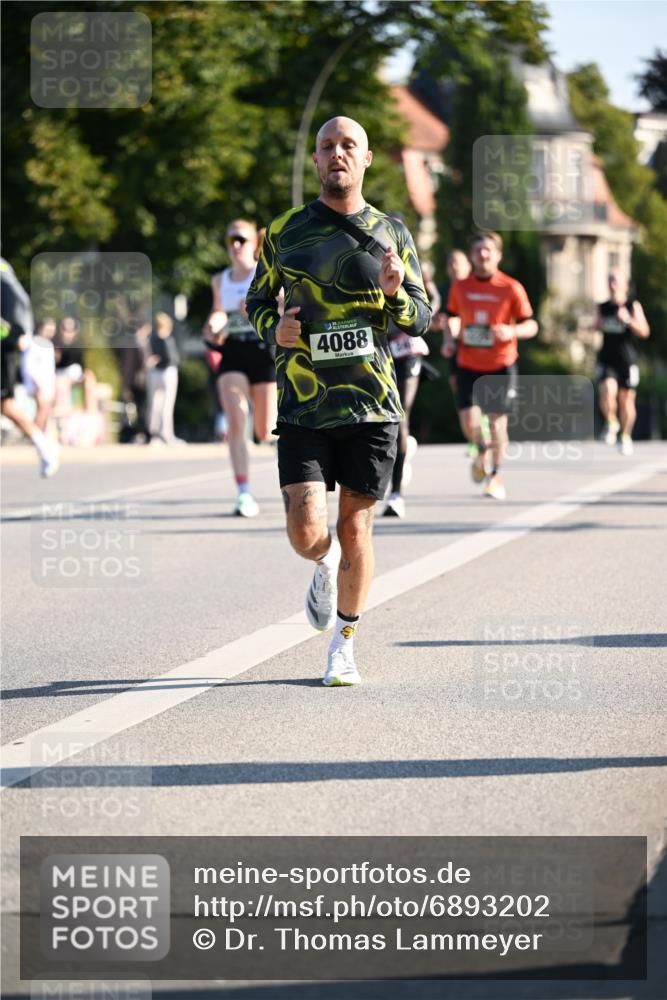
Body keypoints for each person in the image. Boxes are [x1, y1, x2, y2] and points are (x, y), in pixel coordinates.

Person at [247, 115, 431, 686]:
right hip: (305, 401)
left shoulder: (391, 232)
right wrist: (271, 330)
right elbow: (257, 300)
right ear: (316, 159)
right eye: (327, 146)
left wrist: (397, 294)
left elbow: (422, 316)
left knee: (357, 530)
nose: (337, 154)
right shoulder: (285, 231)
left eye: (348, 145)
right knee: (306, 532)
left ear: (366, 158)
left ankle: (344, 646)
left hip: (372, 404)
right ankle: (323, 566)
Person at [446, 231, 538, 500]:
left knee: (497, 423)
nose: (483, 255)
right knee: (469, 424)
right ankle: (480, 451)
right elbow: (451, 317)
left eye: (488, 250)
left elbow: (531, 325)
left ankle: (495, 475)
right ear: (472, 255)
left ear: (498, 255)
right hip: (467, 363)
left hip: (501, 364)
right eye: (478, 251)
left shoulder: (511, 287)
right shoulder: (460, 287)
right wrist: (450, 339)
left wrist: (512, 332)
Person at [204, 220, 277, 517]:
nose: (235, 245)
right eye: (230, 240)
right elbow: (218, 311)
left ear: (253, 244)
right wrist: (214, 323)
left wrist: (259, 308)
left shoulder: (265, 272)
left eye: (241, 239)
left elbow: (282, 306)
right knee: (236, 418)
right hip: (233, 351)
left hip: (263, 352)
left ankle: (300, 470)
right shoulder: (220, 280)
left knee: (265, 430)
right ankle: (244, 493)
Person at [382, 258, 440, 518]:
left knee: (399, 415)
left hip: (408, 349)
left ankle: (395, 495)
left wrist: (422, 317)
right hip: (380, 349)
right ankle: (400, 454)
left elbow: (431, 301)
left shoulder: (413, 263)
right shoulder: (365, 261)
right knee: (383, 416)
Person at [1, 258, 59, 476]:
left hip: (3, 344)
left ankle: (43, 446)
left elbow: (19, 300)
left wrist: (19, 332)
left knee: (6, 406)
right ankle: (43, 445)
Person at [440, 248, 489, 457]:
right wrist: (446, 337)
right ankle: (474, 437)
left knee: (480, 394)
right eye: (451, 262)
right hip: (456, 351)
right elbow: (442, 320)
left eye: (458, 262)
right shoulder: (446, 291)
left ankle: (484, 432)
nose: (454, 266)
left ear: (468, 266)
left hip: (480, 351)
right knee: (460, 393)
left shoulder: (473, 289)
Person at [595, 269, 650, 455]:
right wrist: (596, 325)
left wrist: (627, 320)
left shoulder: (632, 306)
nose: (612, 284)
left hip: (627, 360)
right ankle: (611, 422)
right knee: (607, 391)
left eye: (616, 281)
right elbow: (595, 326)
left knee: (627, 401)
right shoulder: (602, 307)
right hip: (607, 358)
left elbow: (644, 331)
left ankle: (625, 436)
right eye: (610, 280)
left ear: (625, 285)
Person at [146, 312, 182, 445]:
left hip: (155, 372)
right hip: (167, 372)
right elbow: (172, 358)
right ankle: (166, 433)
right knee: (166, 405)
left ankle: (153, 434)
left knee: (154, 404)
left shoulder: (152, 338)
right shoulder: (167, 339)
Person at [20, 316, 57, 433]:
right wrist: (37, 384)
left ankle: (38, 436)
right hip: (37, 385)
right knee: (41, 411)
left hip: (47, 385)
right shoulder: (33, 343)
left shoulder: (49, 344)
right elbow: (29, 366)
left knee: (45, 412)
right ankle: (35, 436)